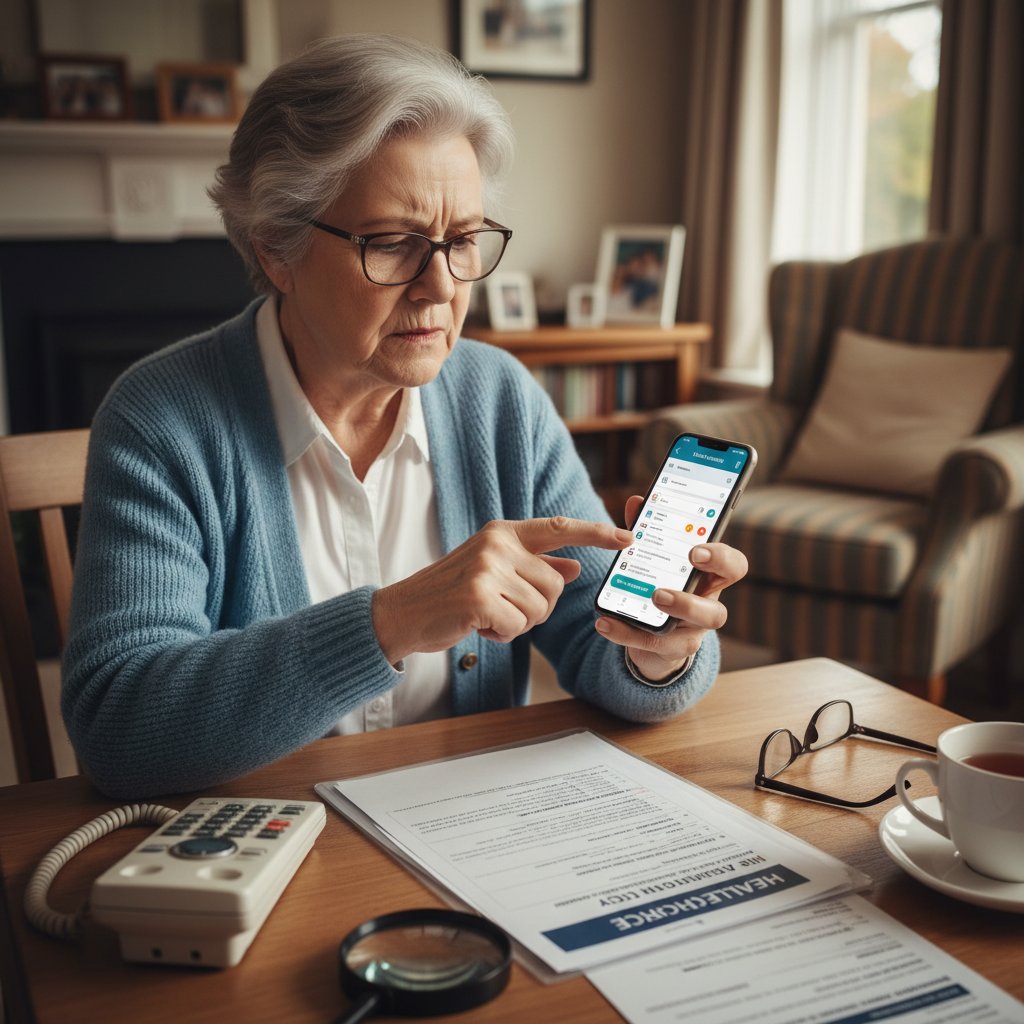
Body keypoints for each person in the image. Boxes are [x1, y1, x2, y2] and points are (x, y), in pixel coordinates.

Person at [62, 34, 748, 800]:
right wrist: (388, 623)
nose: (439, 287)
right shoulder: (163, 421)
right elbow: (119, 728)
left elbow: (599, 642)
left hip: (469, 834)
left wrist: (660, 649)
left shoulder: (500, 402)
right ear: (278, 248)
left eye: (463, 242)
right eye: (392, 244)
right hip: (261, 855)